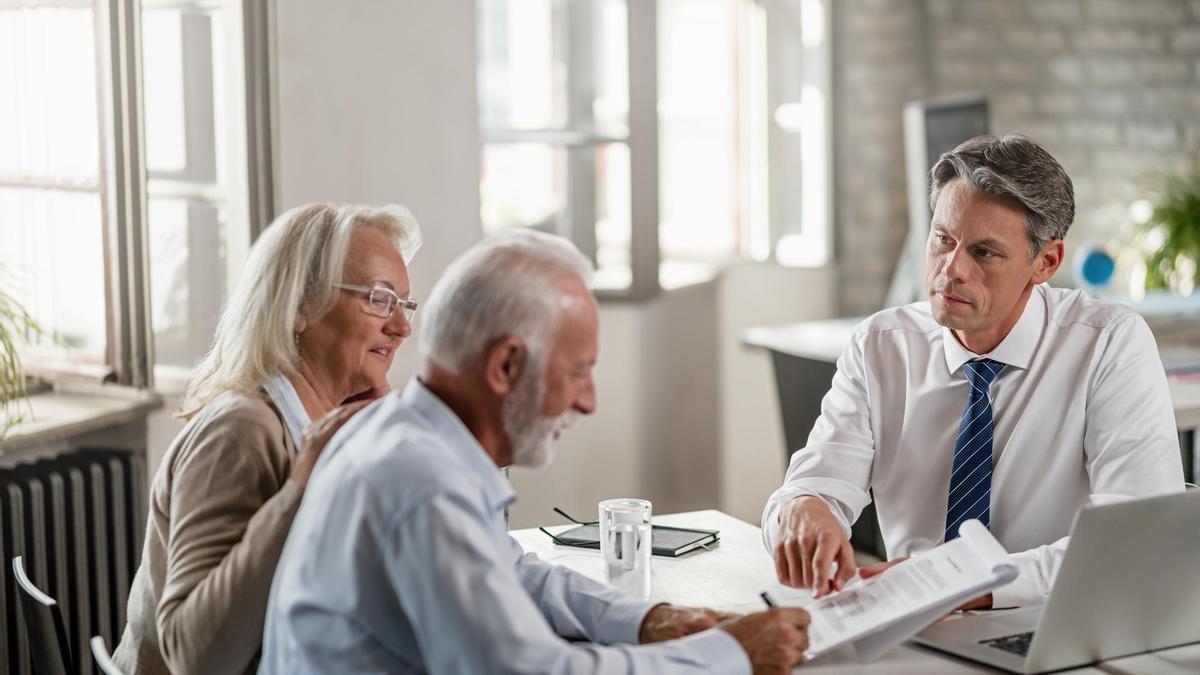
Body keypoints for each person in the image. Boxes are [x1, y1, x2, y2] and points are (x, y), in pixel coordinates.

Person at [259, 230, 810, 674]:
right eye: (577, 372)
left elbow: (513, 571)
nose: (589, 402)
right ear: (505, 367)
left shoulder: (409, 435)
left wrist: (649, 620)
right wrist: (733, 655)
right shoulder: (421, 480)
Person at [763, 134, 1184, 609]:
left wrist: (965, 582)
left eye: (984, 253)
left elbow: (1138, 539)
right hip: (914, 626)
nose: (951, 269)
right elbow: (813, 484)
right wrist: (805, 510)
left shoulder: (1108, 344)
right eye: (943, 239)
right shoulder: (881, 345)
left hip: (1052, 622)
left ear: (1045, 262)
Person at [113, 202, 423, 674]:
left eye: (404, 304)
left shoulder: (324, 421)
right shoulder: (241, 431)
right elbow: (194, 658)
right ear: (300, 305)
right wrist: (303, 490)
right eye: (379, 299)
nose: (400, 327)